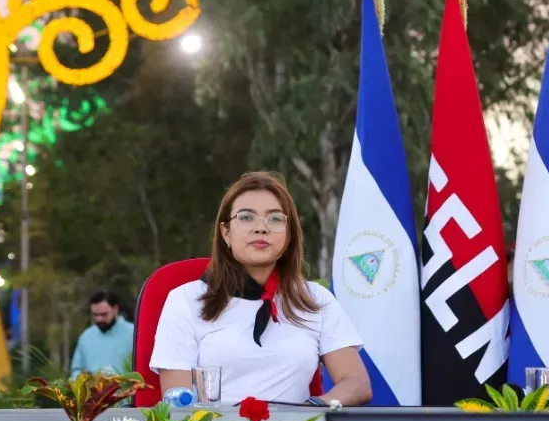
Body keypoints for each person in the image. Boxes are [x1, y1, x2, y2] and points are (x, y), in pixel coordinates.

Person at [153, 172, 371, 406]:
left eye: (275, 219)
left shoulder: (315, 300)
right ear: (226, 232)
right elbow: (178, 404)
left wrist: (310, 411)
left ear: (289, 235)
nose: (261, 228)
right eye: (246, 218)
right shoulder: (185, 300)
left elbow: (356, 383)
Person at [70, 291, 134, 376]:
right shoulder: (86, 337)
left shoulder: (134, 334)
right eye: (95, 315)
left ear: (115, 309)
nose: (99, 319)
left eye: (104, 314)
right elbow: (76, 370)